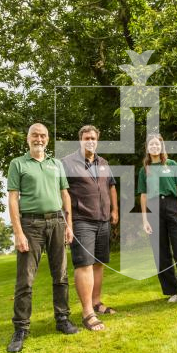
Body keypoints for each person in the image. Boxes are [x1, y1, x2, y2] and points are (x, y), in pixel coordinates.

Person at [6, 123, 78, 353]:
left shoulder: (56, 164)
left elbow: (65, 195)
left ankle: (62, 319)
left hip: (57, 222)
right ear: (28, 139)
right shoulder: (18, 164)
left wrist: (69, 225)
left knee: (61, 276)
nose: (39, 139)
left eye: (43, 136)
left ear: (48, 139)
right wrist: (18, 232)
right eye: (35, 135)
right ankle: (21, 329)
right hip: (31, 225)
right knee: (25, 280)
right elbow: (13, 199)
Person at [62, 125, 119, 331]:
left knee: (98, 263)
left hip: (103, 219)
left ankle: (96, 302)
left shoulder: (103, 163)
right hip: (81, 220)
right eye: (87, 138)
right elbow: (63, 191)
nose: (90, 141)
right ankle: (87, 312)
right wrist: (67, 220)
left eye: (93, 138)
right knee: (83, 265)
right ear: (80, 140)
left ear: (98, 140)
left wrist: (115, 211)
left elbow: (111, 186)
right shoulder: (67, 163)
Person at [138, 133, 177, 303]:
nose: (154, 147)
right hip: (153, 210)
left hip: (172, 208)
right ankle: (173, 291)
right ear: (148, 148)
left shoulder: (171, 164)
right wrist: (144, 220)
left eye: (157, 144)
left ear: (162, 146)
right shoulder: (145, 170)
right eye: (151, 145)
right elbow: (143, 196)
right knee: (161, 253)